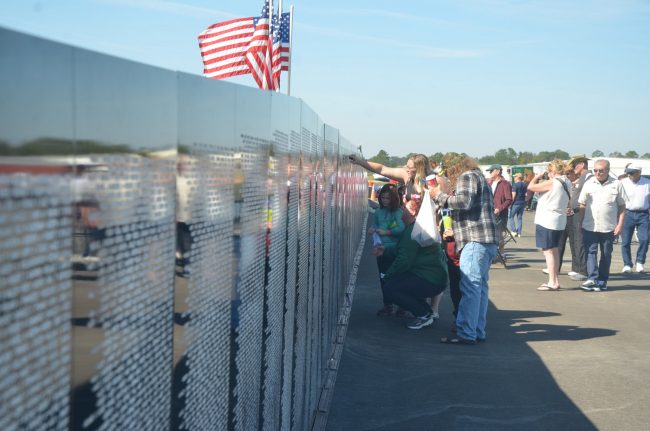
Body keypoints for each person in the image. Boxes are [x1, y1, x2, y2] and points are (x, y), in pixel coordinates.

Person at [429, 154, 499, 345]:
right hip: (487, 240)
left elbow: (463, 202)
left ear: (453, 168)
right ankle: (477, 330)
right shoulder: (479, 177)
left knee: (470, 287)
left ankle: (467, 332)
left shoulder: (466, 177)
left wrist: (439, 196)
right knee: (480, 288)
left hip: (475, 240)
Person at [381, 197, 448, 330]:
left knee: (390, 288)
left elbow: (404, 260)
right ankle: (427, 312)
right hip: (434, 278)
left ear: (412, 212)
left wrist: (387, 275)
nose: (400, 211)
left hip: (429, 279)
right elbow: (403, 251)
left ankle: (423, 315)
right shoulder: (417, 228)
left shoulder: (413, 231)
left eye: (404, 208)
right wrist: (385, 249)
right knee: (400, 283)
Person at [578, 159, 627, 291]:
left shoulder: (616, 184)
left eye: (601, 170)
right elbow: (582, 204)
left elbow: (622, 206)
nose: (598, 173)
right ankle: (592, 278)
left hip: (609, 227)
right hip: (590, 226)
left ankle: (602, 280)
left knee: (606, 254)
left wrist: (620, 225)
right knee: (590, 252)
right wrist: (580, 223)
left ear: (608, 170)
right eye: (595, 170)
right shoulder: (589, 184)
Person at [527, 160, 571, 291]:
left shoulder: (554, 182)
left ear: (553, 171)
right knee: (554, 250)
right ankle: (554, 279)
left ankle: (552, 281)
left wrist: (536, 177)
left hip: (547, 220)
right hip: (559, 220)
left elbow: (530, 187)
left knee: (548, 251)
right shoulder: (567, 182)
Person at [370, 184, 406, 316]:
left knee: (398, 277)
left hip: (394, 250)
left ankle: (403, 305)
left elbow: (400, 229)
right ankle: (388, 304)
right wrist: (372, 229)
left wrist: (387, 231)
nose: (385, 200)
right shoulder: (378, 212)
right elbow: (375, 224)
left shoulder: (398, 212)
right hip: (381, 249)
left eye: (388, 198)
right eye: (383, 198)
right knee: (383, 277)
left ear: (394, 199)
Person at [619, 163, 650, 273]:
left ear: (639, 172)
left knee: (645, 239)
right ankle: (627, 264)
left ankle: (640, 262)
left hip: (643, 214)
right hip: (627, 213)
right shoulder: (623, 183)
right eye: (628, 173)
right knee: (625, 241)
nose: (629, 175)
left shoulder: (647, 183)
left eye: (631, 173)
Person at [565, 155, 591, 280]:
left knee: (580, 241)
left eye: (575, 165)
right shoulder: (582, 177)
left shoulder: (588, 176)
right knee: (575, 241)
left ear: (582, 165)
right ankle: (576, 267)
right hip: (574, 212)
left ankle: (583, 270)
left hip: (581, 212)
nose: (573, 168)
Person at [486, 164, 513, 256]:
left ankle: (502, 254)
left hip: (500, 214)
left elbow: (509, 199)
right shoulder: (489, 183)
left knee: (500, 234)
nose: (489, 173)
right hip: (490, 213)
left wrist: (499, 209)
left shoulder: (505, 184)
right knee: (490, 234)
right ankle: (492, 253)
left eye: (491, 171)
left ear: (497, 171)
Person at [508, 173, 527, 237]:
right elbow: (526, 194)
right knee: (519, 218)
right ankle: (519, 232)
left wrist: (510, 203)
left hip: (516, 203)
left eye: (515, 176)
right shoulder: (525, 184)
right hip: (522, 203)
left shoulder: (515, 185)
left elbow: (513, 195)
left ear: (518, 177)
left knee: (511, 217)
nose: (514, 178)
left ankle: (514, 231)